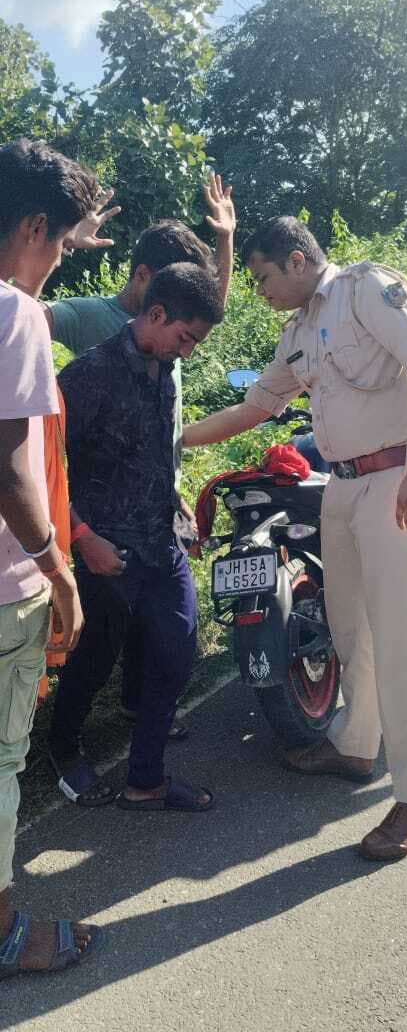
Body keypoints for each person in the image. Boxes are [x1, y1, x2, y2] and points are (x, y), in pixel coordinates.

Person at [183, 216, 407, 862]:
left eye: (262, 277)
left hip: (394, 478)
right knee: (349, 627)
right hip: (341, 485)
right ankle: (355, 746)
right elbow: (256, 407)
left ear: (298, 261)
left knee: (397, 639)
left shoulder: (365, 290)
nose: (260, 291)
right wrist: (176, 438)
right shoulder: (297, 332)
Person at [17, 175, 236, 736]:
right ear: (147, 286)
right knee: (103, 636)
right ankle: (68, 738)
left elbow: (206, 306)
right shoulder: (97, 326)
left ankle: (140, 713)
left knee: (158, 633)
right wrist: (60, 251)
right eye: (182, 335)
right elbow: (20, 319)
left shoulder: (177, 333)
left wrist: (226, 239)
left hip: (155, 502)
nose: (187, 347)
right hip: (101, 512)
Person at [48, 265, 223, 812]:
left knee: (175, 648)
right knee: (92, 660)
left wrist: (175, 502)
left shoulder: (164, 369)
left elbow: (153, 450)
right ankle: (62, 750)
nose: (188, 351)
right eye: (185, 337)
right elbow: (42, 468)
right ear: (156, 313)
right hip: (106, 552)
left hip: (159, 541)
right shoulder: (88, 375)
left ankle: (146, 778)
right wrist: (82, 537)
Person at [0, 138, 102, 977]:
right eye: (62, 244)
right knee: (0, 761)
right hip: (5, 586)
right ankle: (5, 935)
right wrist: (58, 571)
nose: (62, 260)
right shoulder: (14, 313)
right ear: (34, 226)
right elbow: (7, 466)